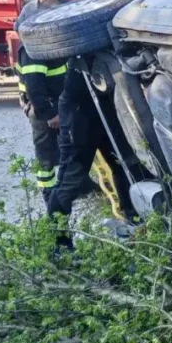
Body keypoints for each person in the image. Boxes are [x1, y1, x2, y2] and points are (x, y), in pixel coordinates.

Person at [48, 56, 145, 252]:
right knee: (70, 179)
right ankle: (59, 245)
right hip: (79, 112)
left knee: (126, 165)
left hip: (108, 105)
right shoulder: (78, 46)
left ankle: (135, 223)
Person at [15, 0, 70, 203]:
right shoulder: (33, 45)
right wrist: (49, 114)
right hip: (42, 108)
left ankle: (71, 187)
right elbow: (35, 86)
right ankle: (50, 195)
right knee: (46, 154)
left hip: (58, 102)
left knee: (67, 146)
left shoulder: (64, 8)